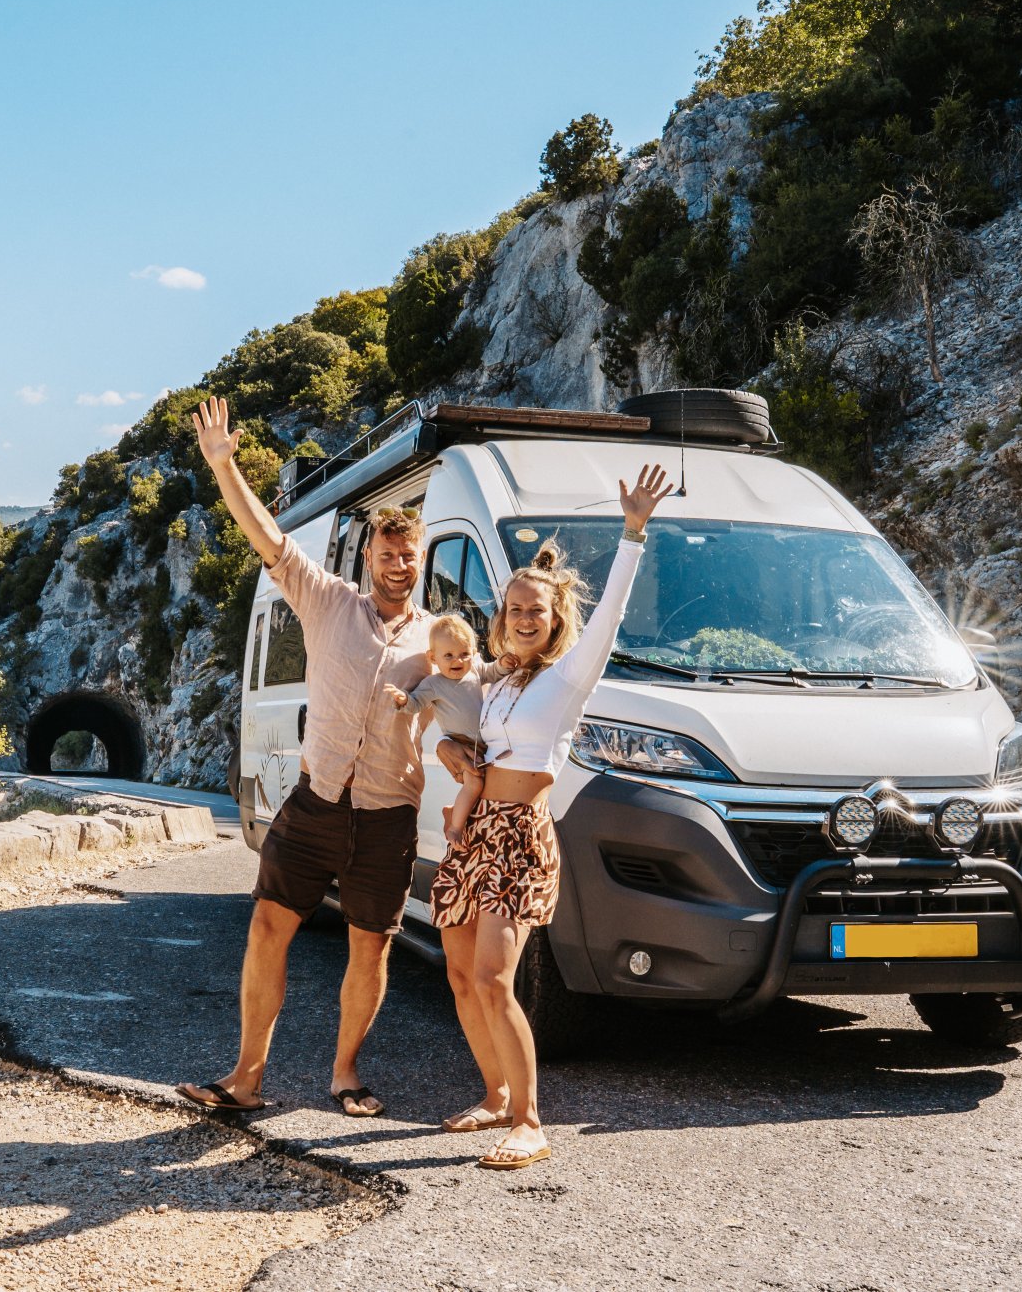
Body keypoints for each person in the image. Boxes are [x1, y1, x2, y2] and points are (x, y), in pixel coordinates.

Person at [176, 396, 433, 1120]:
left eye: (408, 555)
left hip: (387, 816)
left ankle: (345, 1074)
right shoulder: (327, 602)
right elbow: (267, 535)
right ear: (369, 557)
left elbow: (492, 683)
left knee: (370, 949)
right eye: (387, 554)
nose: (398, 564)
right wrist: (223, 466)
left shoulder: (438, 637)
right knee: (267, 927)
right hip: (316, 803)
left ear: (419, 561)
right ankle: (246, 1077)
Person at [430, 461, 672, 1169]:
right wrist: (447, 748)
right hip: (476, 831)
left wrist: (633, 533)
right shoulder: (500, 680)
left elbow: (611, 615)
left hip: (519, 837)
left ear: (555, 617)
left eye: (536, 610)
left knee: (495, 977)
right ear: (501, 616)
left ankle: (530, 1121)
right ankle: (496, 1094)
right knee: (459, 973)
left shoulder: (568, 677)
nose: (524, 618)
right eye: (514, 609)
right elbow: (456, 720)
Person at [384, 615, 486, 845]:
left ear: (473, 653)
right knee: (475, 784)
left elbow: (494, 671)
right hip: (462, 743)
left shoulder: (475, 672)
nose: (457, 660)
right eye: (448, 655)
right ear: (433, 658)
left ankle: (455, 811)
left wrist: (505, 664)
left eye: (464, 654)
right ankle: (455, 828)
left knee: (486, 788)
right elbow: (416, 703)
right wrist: (404, 699)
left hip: (484, 744)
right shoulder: (434, 683)